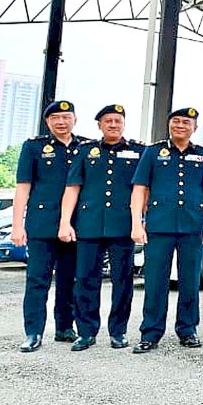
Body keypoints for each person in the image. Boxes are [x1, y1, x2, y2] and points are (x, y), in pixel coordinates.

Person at [130, 107, 203, 354]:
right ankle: (150, 333)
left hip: (192, 227)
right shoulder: (153, 152)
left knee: (190, 281)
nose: (181, 125)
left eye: (186, 122)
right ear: (169, 125)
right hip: (159, 226)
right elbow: (140, 188)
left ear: (195, 128)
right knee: (155, 281)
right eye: (176, 121)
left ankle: (188, 330)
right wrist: (137, 222)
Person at [59, 104, 145, 351]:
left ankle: (118, 331)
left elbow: (144, 189)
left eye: (118, 121)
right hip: (89, 225)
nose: (113, 125)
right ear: (99, 125)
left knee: (123, 280)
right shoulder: (85, 151)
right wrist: (65, 222)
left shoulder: (138, 151)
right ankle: (86, 331)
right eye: (108, 121)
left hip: (122, 226)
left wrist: (141, 219)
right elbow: (72, 187)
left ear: (124, 124)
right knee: (86, 279)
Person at [12, 100, 86, 353]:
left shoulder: (87, 147)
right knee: (37, 280)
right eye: (55, 118)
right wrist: (17, 225)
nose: (61, 122)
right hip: (41, 224)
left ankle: (65, 327)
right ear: (47, 122)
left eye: (66, 117)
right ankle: (33, 332)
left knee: (70, 279)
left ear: (75, 120)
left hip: (77, 225)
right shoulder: (34, 147)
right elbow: (23, 187)